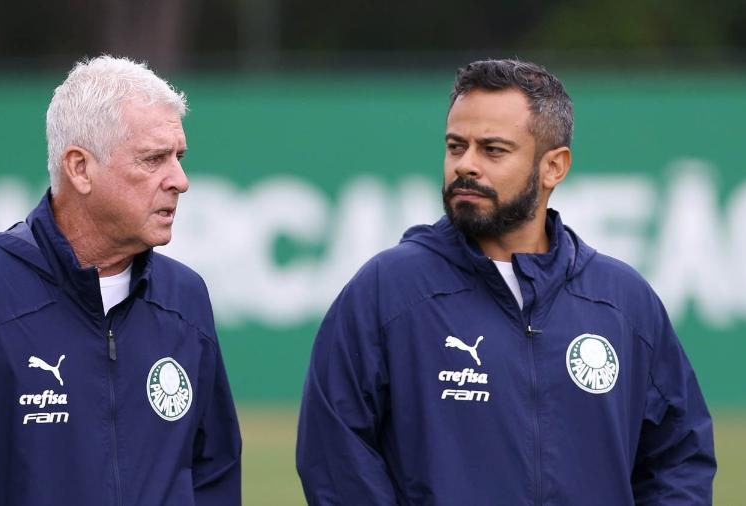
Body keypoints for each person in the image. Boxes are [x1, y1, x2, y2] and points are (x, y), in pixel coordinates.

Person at [296, 59, 715, 505]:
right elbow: (335, 456)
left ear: (553, 167)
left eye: (492, 150)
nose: (466, 166)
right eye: (456, 147)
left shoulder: (623, 302)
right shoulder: (388, 291)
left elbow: (678, 458)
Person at [0, 56, 241, 505]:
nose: (180, 181)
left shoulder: (186, 298)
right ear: (80, 168)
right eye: (154, 159)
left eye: (178, 157)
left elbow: (214, 472)